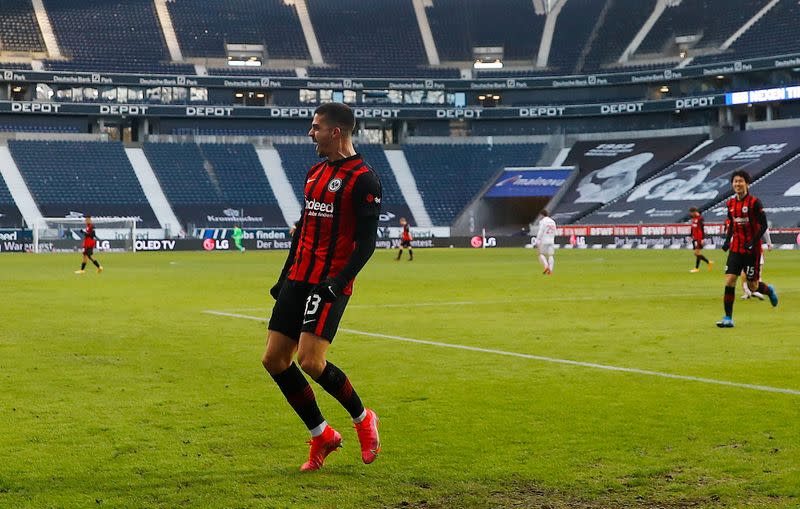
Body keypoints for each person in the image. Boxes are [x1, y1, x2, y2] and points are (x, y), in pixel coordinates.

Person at [262, 103, 382, 471]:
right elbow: (303, 232)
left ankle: (363, 419)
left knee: (311, 362)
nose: (309, 133)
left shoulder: (364, 179)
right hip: (298, 277)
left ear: (336, 132)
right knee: (274, 360)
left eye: (315, 127)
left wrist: (338, 282)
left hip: (329, 283)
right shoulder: (314, 173)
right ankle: (322, 435)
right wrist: (284, 278)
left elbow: (366, 244)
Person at [717, 171, 778, 328]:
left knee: (753, 286)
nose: (738, 184)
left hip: (752, 251)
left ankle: (769, 290)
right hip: (736, 248)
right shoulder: (730, 204)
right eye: (735, 181)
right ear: (733, 184)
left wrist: (752, 242)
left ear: (747, 184)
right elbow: (731, 224)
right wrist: (726, 241)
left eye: (741, 181)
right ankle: (728, 318)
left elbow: (763, 225)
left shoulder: (754, 203)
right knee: (730, 280)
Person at [741, 229, 773, 300]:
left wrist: (769, 243)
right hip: (745, 249)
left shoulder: (758, 220)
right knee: (744, 271)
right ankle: (747, 292)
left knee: (757, 273)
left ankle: (757, 290)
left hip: (757, 250)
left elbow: (765, 229)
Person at [688, 207, 712, 273]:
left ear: (694, 212)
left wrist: (702, 239)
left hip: (699, 238)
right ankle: (708, 263)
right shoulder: (693, 218)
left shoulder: (700, 218)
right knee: (697, 253)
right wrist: (690, 235)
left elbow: (702, 229)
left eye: (691, 213)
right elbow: (693, 227)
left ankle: (697, 268)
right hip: (695, 238)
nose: (691, 214)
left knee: (696, 253)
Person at [535, 209, 557, 275]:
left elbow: (541, 231)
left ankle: (546, 266)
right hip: (551, 240)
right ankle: (550, 270)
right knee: (550, 255)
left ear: (542, 215)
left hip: (544, 240)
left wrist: (537, 240)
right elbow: (555, 231)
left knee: (540, 253)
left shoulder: (542, 221)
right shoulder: (553, 221)